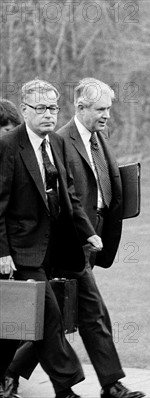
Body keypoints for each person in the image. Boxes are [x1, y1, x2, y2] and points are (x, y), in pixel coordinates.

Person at [5, 78, 145, 398]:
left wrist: (97, 233)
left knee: (60, 314)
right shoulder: (59, 139)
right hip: (58, 245)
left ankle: (13, 373)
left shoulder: (97, 138)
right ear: (80, 108)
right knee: (68, 313)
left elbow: (101, 187)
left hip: (87, 240)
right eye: (101, 109)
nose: (107, 115)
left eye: (109, 108)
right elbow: (61, 197)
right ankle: (106, 384)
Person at [0, 79, 103, 398]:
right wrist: (2, 252)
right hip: (21, 250)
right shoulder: (8, 146)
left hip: (54, 249)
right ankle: (67, 385)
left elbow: (69, 196)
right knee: (49, 315)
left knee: (21, 324)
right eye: (41, 108)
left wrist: (89, 232)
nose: (48, 114)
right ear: (26, 110)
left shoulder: (56, 144)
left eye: (53, 108)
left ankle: (9, 377)